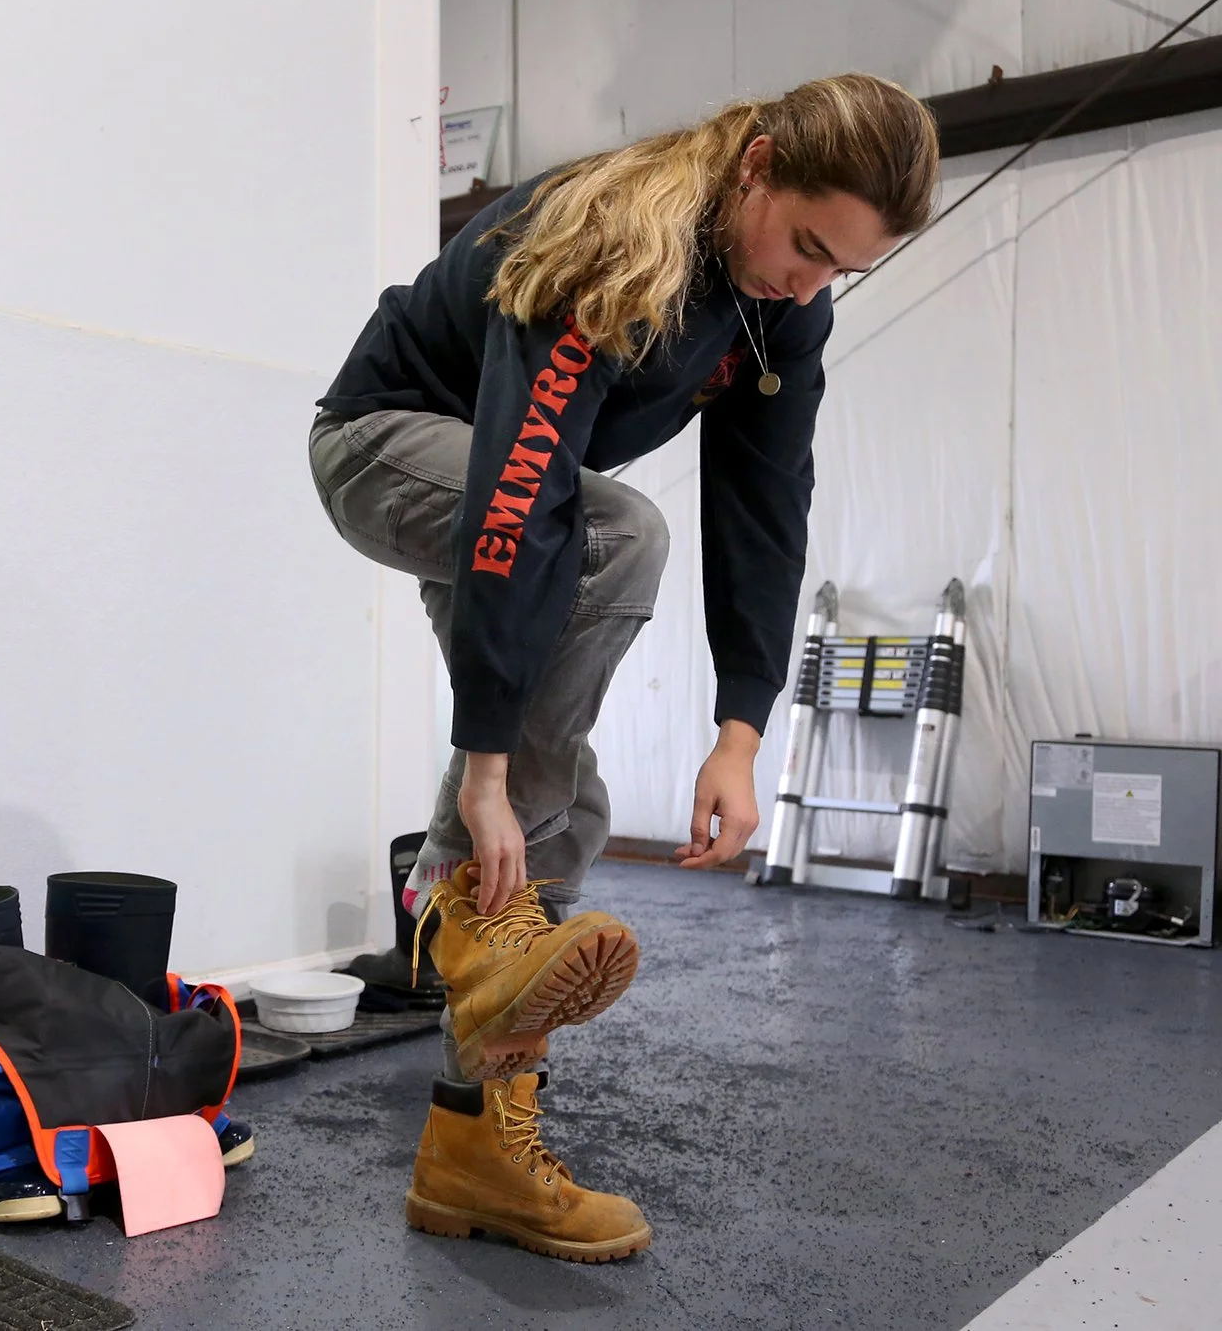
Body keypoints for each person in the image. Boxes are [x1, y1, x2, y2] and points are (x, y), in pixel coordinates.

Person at [308, 73, 939, 1262]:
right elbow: (523, 489)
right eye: (805, 246)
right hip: (383, 443)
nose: (807, 285)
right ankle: (454, 917)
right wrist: (482, 769)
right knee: (616, 537)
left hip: (513, 494)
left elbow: (763, 507)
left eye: (836, 273)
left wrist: (740, 730)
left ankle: (471, 1146)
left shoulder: (776, 307)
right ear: (755, 161)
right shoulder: (609, 236)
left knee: (562, 816)